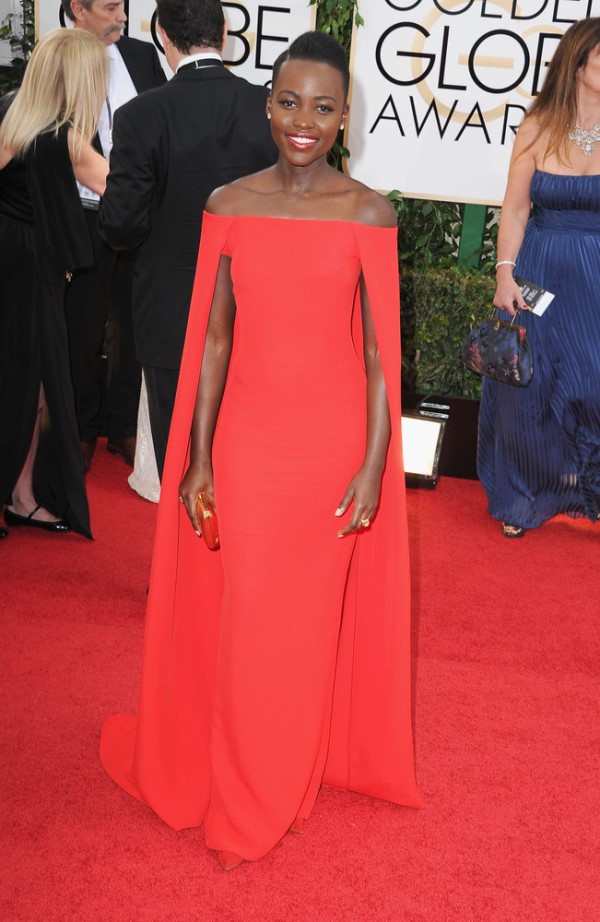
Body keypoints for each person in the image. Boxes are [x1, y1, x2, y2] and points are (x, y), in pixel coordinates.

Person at [100, 31, 422, 868]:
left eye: (323, 107)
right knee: (246, 618)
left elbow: (380, 355)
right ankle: (249, 785)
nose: (303, 121)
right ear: (267, 106)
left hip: (329, 448)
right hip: (245, 442)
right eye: (288, 102)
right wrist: (199, 454)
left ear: (345, 118)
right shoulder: (229, 204)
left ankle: (273, 788)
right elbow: (213, 340)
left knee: (302, 626)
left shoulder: (369, 212)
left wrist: (374, 462)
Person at [98, 0, 278, 480]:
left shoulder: (139, 115)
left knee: (178, 466)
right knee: (244, 464)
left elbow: (120, 225)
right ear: (224, 32)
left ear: (161, 34)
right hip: (252, 313)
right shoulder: (266, 108)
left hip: (168, 316)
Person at [478, 16, 600, 538]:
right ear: (578, 64)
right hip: (539, 269)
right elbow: (514, 208)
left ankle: (589, 489)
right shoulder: (537, 126)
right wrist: (505, 273)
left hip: (595, 277)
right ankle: (522, 498)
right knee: (528, 385)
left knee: (592, 384)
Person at [0, 28, 110, 538]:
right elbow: (120, 191)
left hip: (15, 258)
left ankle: (22, 495)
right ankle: (20, 495)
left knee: (29, 382)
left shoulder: (11, 113)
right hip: (28, 268)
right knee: (29, 384)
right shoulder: (63, 137)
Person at [61, 0, 166, 473]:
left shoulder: (141, 55)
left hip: (139, 216)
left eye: (122, 5)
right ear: (78, 9)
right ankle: (82, 429)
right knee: (81, 327)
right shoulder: (59, 57)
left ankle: (122, 426)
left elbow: (161, 124)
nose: (122, 16)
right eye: (110, 7)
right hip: (84, 214)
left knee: (134, 322)